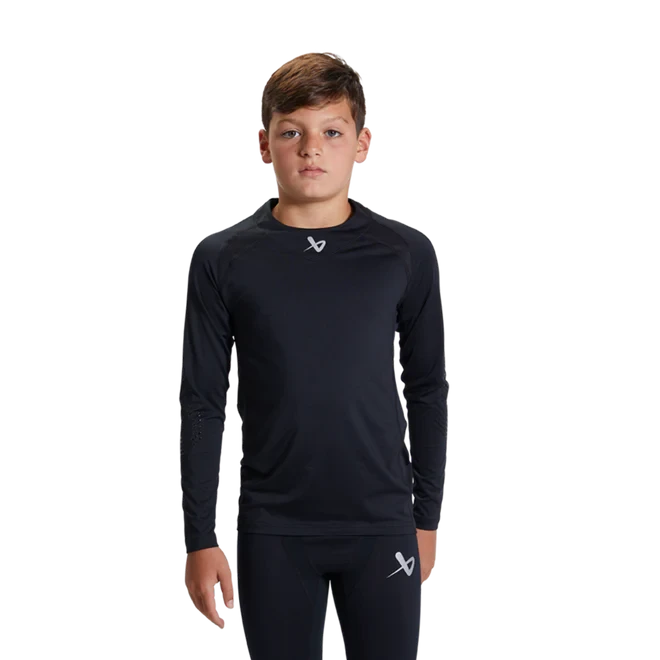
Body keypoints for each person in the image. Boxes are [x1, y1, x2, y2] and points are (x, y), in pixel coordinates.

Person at [178, 51, 449, 657]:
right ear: (264, 144)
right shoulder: (223, 259)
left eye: (331, 132)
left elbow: (429, 390)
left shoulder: (404, 254)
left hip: (382, 525)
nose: (310, 150)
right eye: (291, 132)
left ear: (362, 144)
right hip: (275, 528)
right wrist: (199, 537)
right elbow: (201, 403)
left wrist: (426, 518)